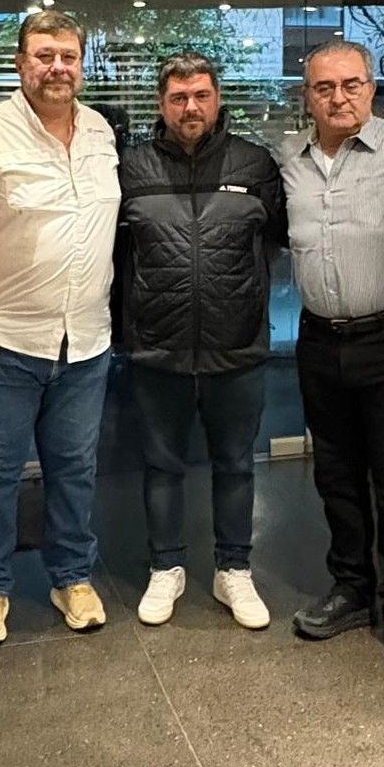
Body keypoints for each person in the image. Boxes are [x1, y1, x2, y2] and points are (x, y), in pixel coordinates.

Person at [0, 11, 118, 646]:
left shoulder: (100, 131)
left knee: (73, 467)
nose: (57, 68)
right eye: (44, 56)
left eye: (68, 56)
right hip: (8, 342)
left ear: (81, 64)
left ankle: (71, 575)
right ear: (20, 64)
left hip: (87, 341)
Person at [282, 40, 384, 681]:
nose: (339, 97)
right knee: (336, 474)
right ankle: (351, 586)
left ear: (372, 88)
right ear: (307, 96)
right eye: (324, 87)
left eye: (351, 84)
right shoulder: (288, 159)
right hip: (319, 342)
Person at [119, 51, 285, 628]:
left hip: (236, 345)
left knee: (236, 464)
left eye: (201, 96)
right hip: (156, 346)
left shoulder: (255, 163)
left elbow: (275, 239)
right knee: (161, 466)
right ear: (161, 103)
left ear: (217, 99)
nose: (190, 107)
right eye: (178, 97)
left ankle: (233, 568)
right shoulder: (132, 167)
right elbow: (117, 254)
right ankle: (165, 567)